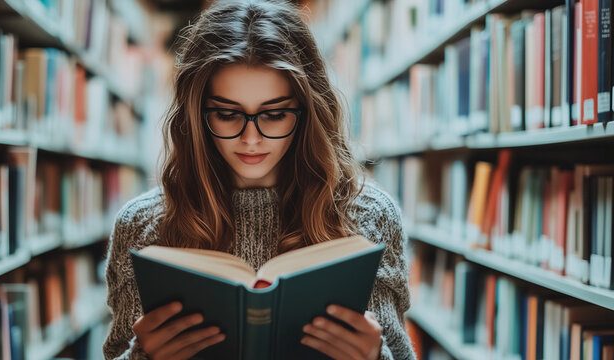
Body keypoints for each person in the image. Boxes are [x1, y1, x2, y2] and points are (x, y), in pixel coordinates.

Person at [103, 1, 415, 359]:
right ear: (196, 113)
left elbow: (399, 350)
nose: (251, 139)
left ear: (308, 110)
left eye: (276, 114)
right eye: (226, 114)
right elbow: (115, 352)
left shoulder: (371, 215)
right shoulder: (140, 224)